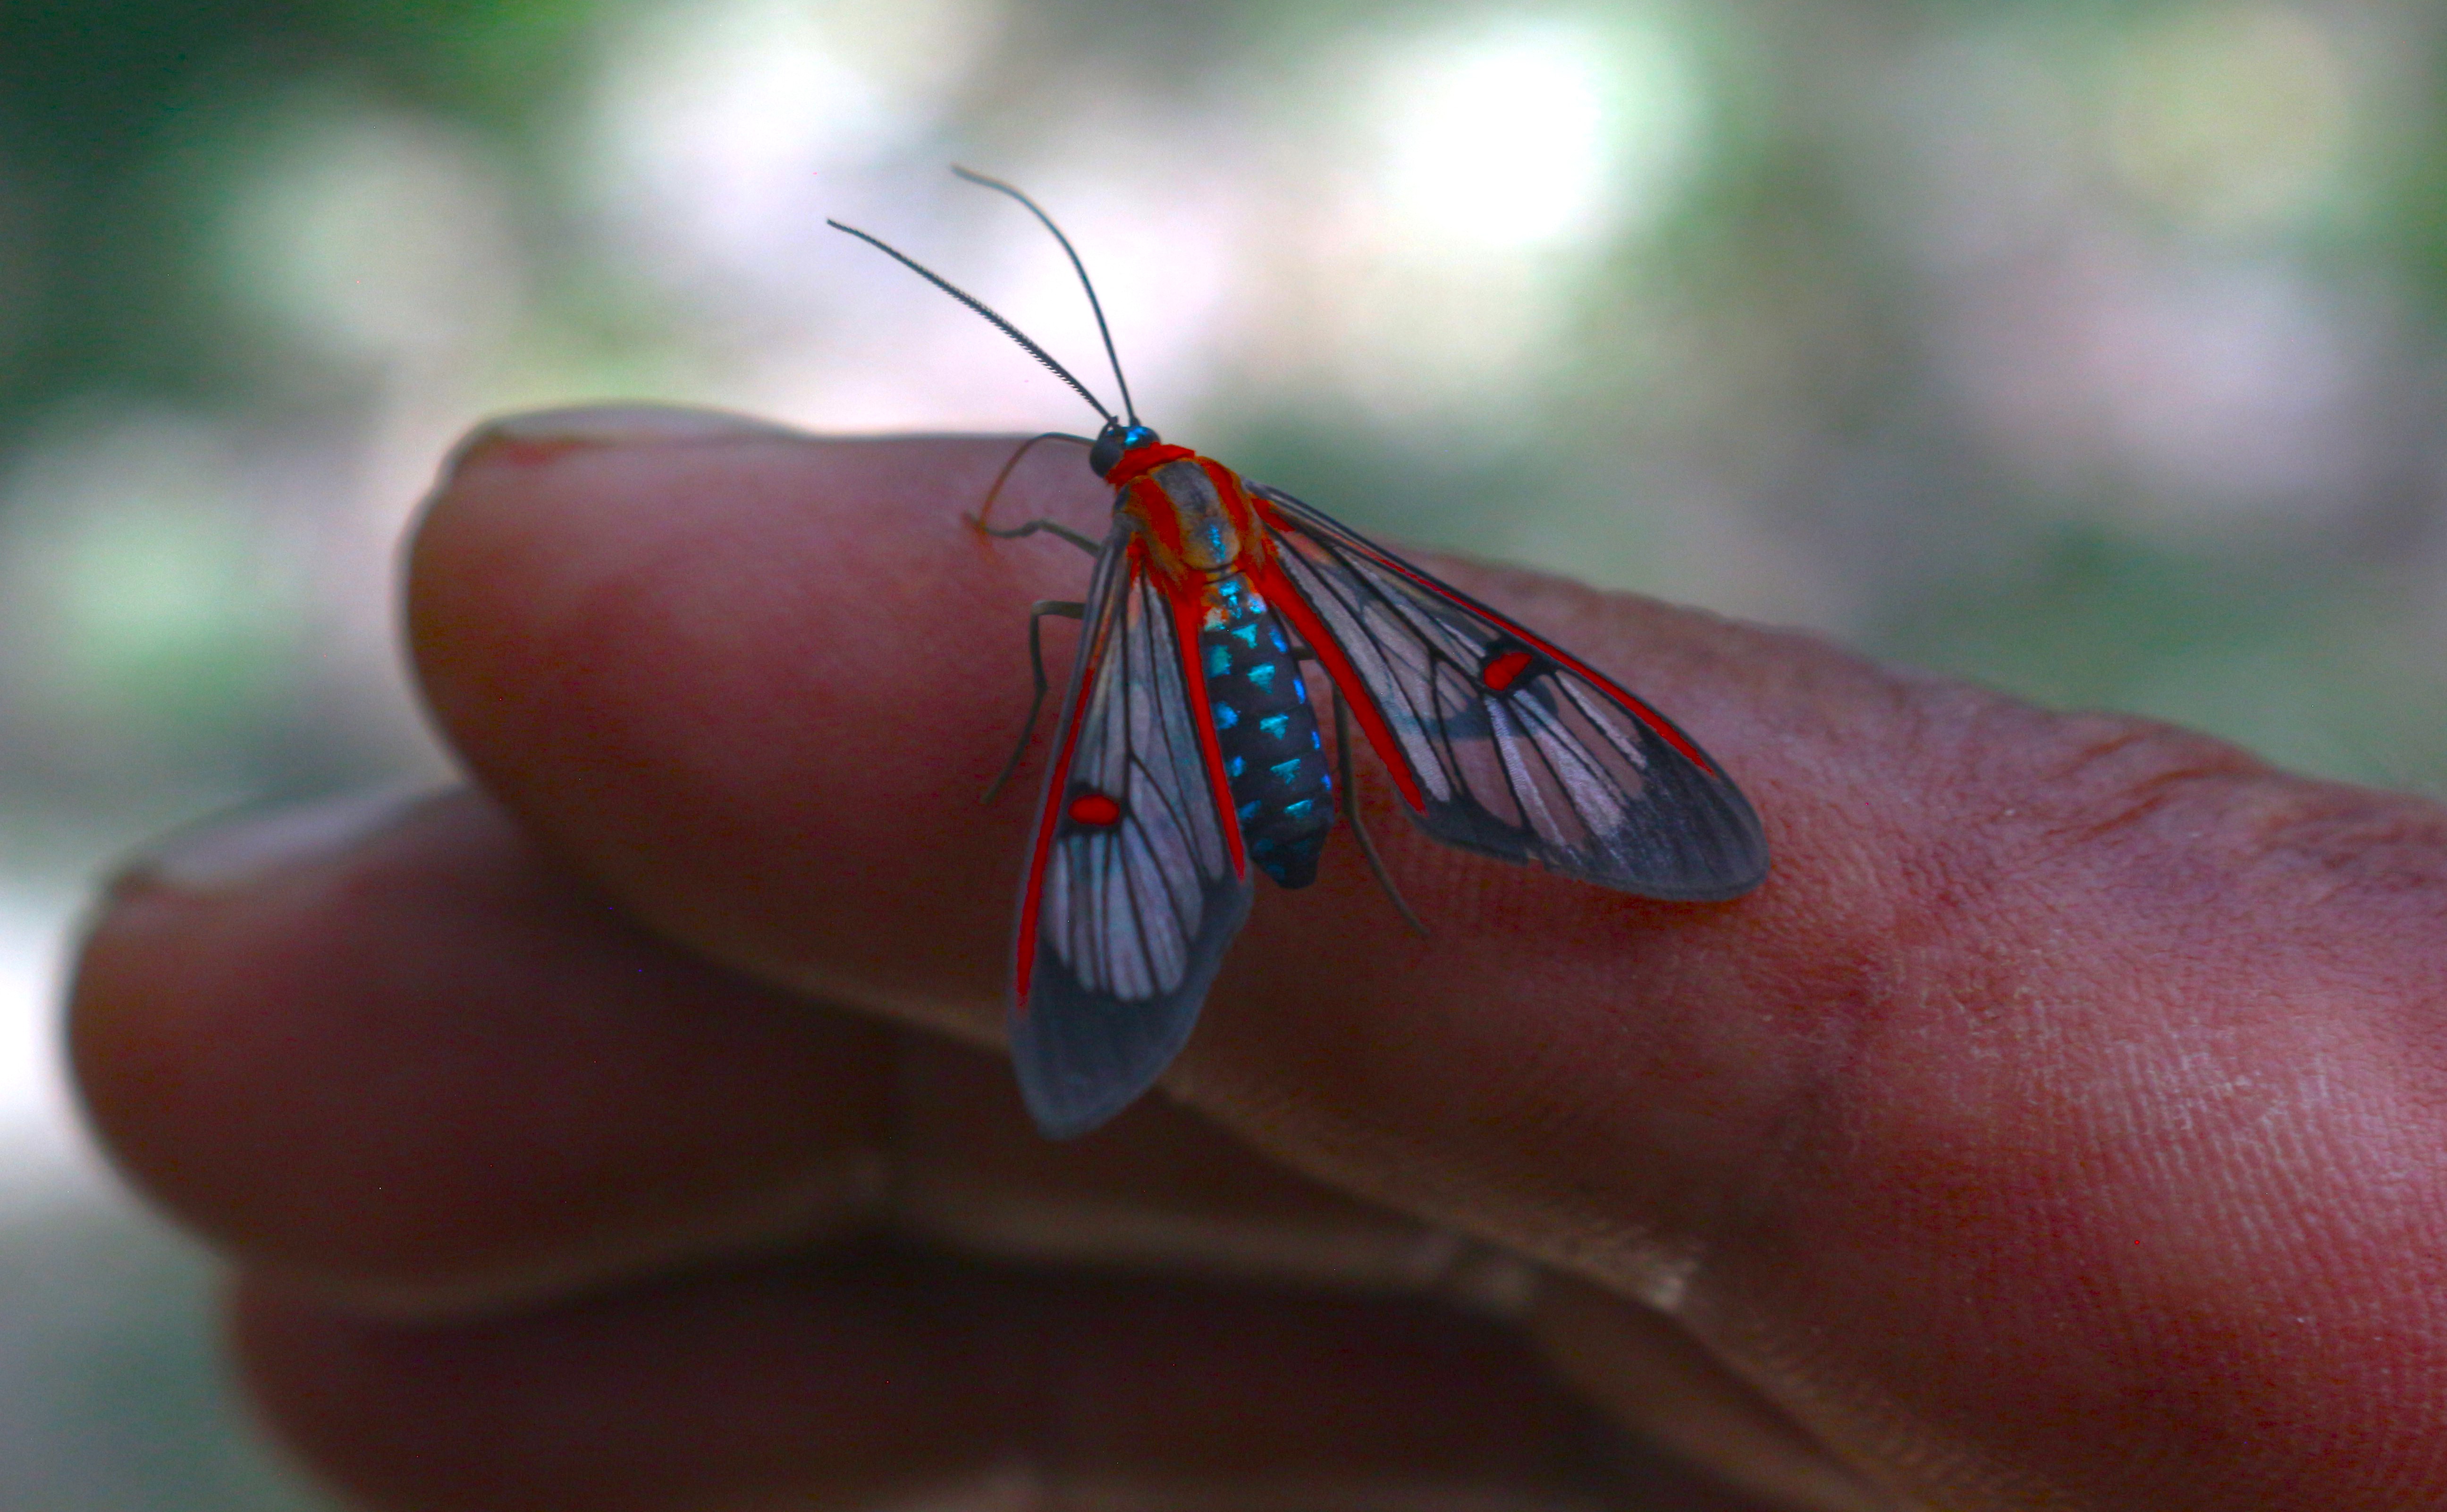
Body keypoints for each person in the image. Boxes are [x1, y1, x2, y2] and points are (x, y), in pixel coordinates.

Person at [70, 406, 2447, 1511]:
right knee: (1238, 809)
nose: (1123, 497)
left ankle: (1252, 896)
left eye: (1131, 485)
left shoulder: (1127, 570)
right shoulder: (1218, 548)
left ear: (1152, 502)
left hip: (1236, 716)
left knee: (1151, 829)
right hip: (1319, 675)